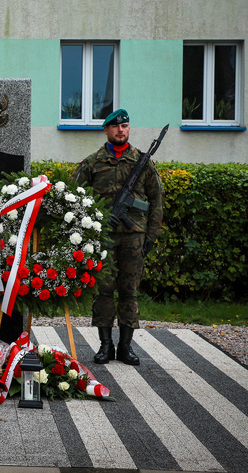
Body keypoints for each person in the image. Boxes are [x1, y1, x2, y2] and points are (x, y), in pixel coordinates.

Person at [72, 109, 164, 366]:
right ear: (106, 130)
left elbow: (157, 199)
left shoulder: (142, 162)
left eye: (124, 125)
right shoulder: (93, 162)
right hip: (103, 238)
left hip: (134, 238)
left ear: (129, 129)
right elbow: (74, 196)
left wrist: (151, 236)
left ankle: (125, 347)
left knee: (129, 292)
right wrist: (93, 224)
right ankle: (105, 346)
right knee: (104, 291)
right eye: (115, 126)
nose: (120, 130)